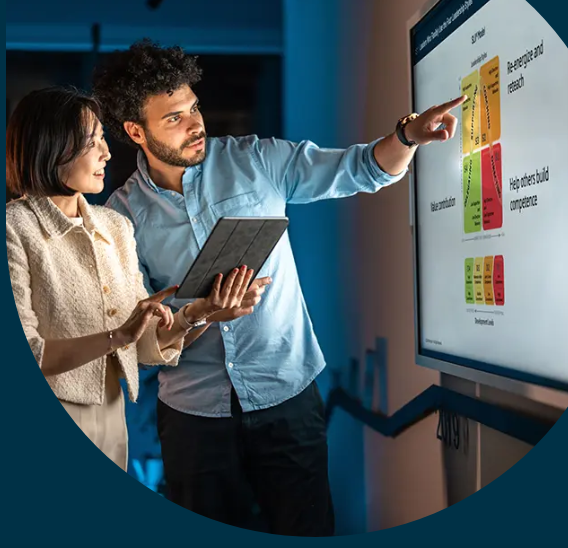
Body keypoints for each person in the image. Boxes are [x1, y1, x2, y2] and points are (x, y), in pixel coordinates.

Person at [93, 39, 465, 535]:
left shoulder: (257, 160)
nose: (195, 123)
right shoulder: (121, 218)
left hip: (287, 394)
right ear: (135, 132)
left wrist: (408, 135)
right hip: (193, 415)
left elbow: (362, 169)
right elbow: (140, 343)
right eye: (174, 119)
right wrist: (201, 314)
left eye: (194, 108)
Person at [6, 86, 269, 472]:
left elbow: (144, 347)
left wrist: (202, 312)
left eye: (102, 140)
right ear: (52, 147)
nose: (107, 153)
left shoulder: (115, 226)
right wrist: (119, 337)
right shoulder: (13, 226)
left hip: (112, 419)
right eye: (91, 142)